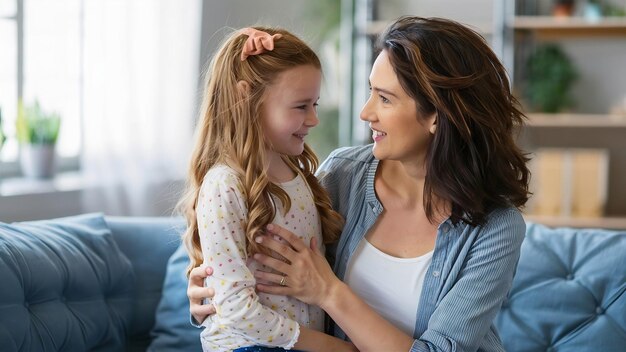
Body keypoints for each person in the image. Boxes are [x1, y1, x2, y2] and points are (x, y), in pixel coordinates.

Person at [188, 16, 531, 352]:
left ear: (436, 116)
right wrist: (207, 292)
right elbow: (253, 248)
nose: (365, 113)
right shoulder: (344, 174)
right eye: (370, 92)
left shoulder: (497, 228)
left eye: (384, 98)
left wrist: (329, 292)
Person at [178, 26, 356, 352]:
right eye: (301, 106)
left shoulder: (297, 173)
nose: (314, 119)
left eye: (315, 104)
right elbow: (235, 309)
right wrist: (331, 347)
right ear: (246, 98)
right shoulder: (225, 185)